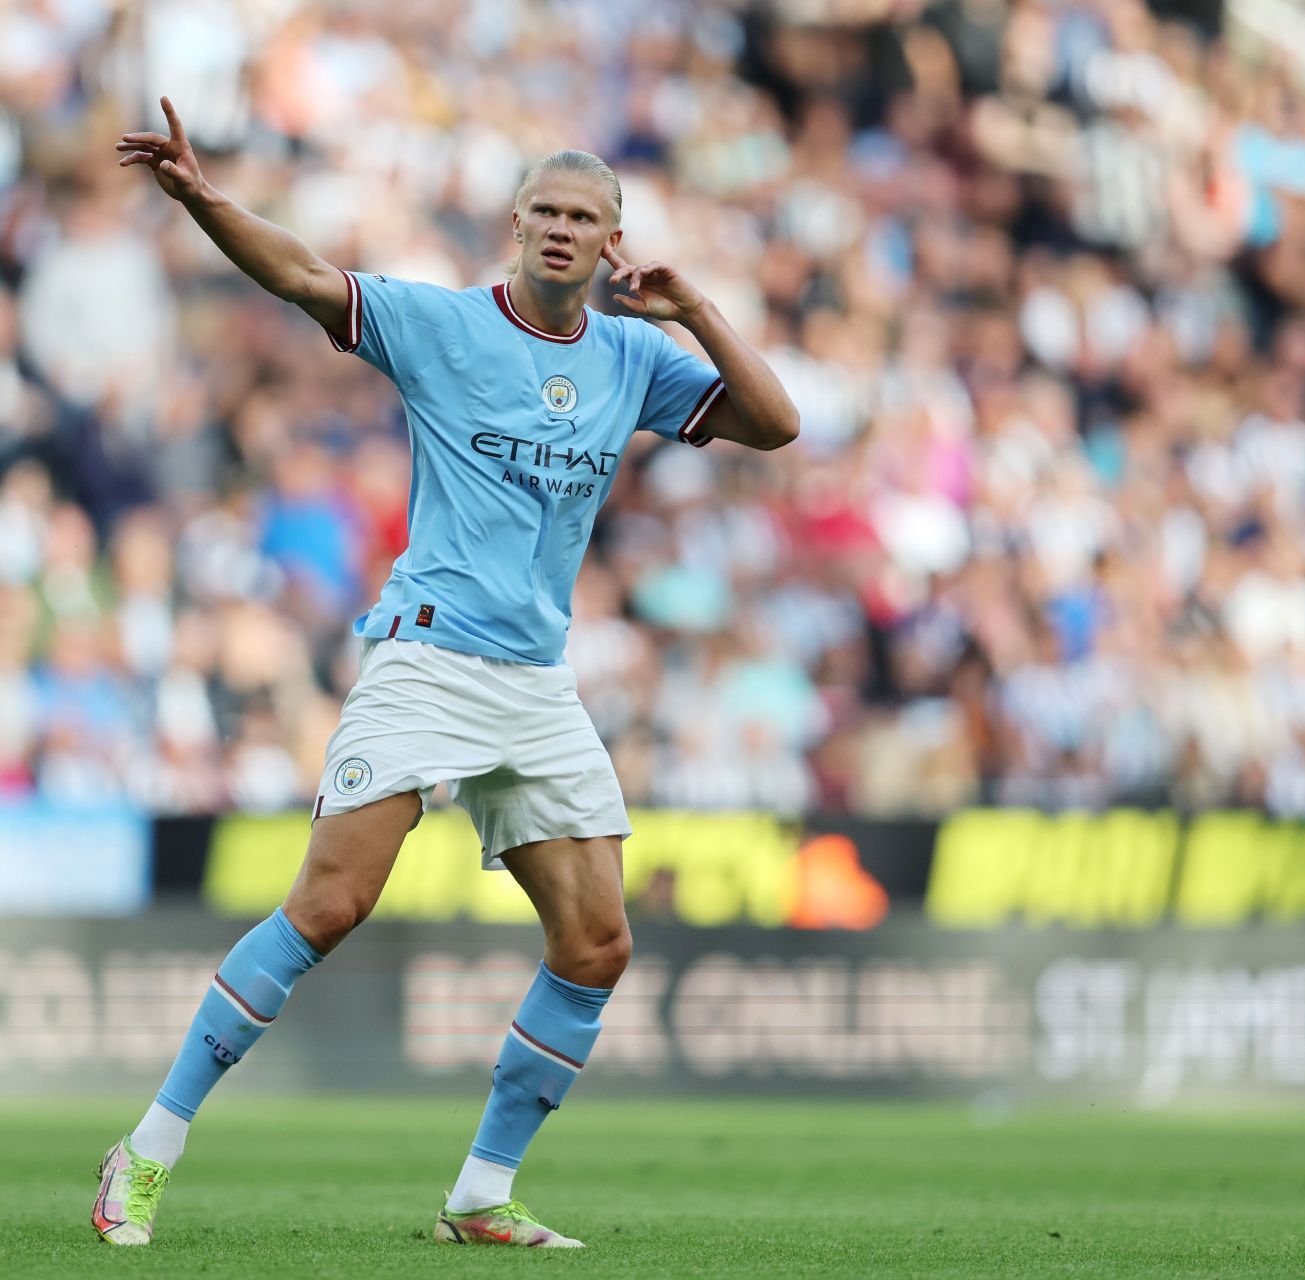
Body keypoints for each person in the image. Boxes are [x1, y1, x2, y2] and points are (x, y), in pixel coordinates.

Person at [94, 98, 799, 1250]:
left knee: (598, 942)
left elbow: (775, 424)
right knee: (330, 903)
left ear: (612, 239)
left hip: (537, 678)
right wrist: (206, 199)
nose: (562, 230)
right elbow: (306, 278)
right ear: (515, 221)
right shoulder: (444, 325)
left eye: (586, 216)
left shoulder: (632, 356)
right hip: (428, 655)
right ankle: (149, 1146)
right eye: (547, 211)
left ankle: (480, 1191)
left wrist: (699, 311)